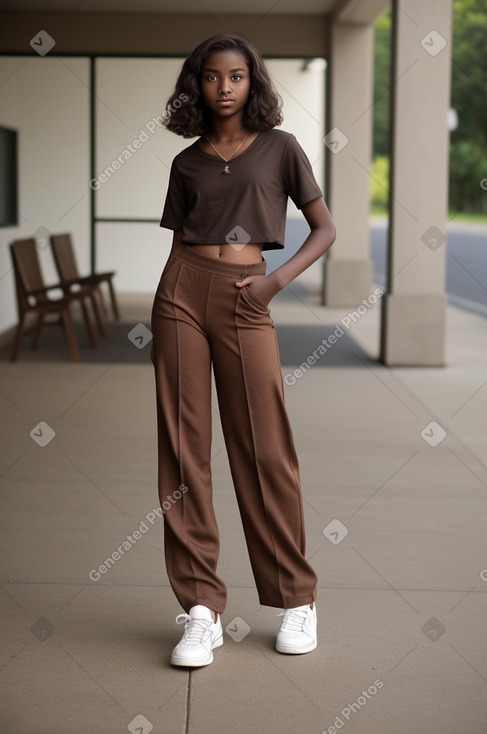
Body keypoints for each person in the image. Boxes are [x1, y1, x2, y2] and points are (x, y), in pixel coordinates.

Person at [150, 33, 336, 668]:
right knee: (183, 448)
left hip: (248, 295)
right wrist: (177, 290)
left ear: (253, 82)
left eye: (235, 76)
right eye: (210, 77)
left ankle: (295, 600)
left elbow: (324, 227)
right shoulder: (188, 162)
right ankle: (200, 608)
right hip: (181, 291)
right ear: (196, 85)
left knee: (263, 445)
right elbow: (180, 243)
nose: (223, 87)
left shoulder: (281, 148)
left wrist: (272, 286)